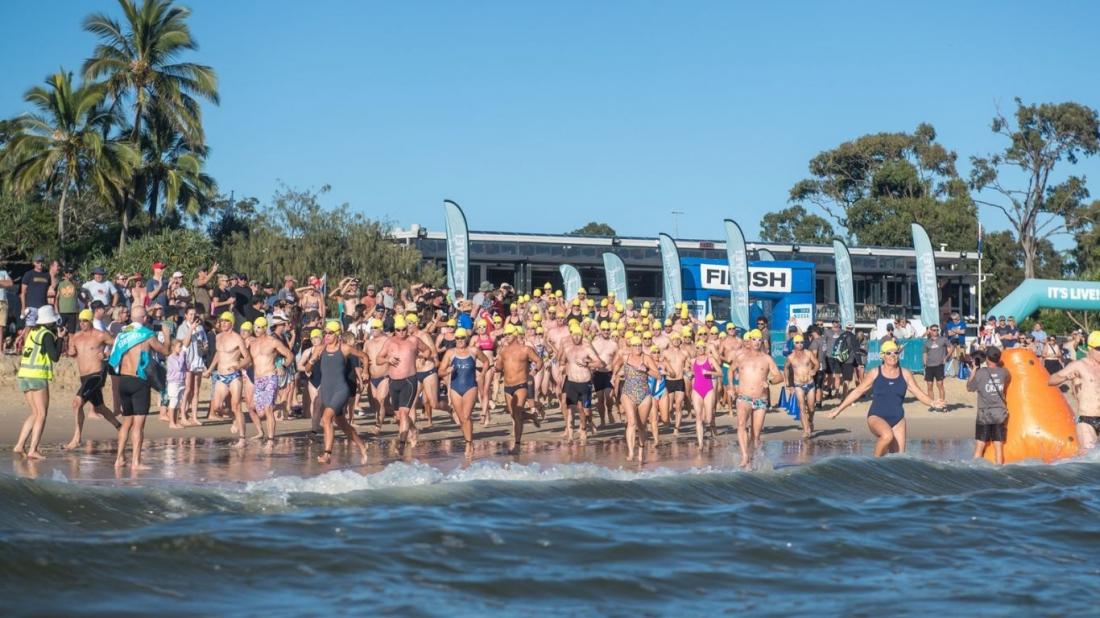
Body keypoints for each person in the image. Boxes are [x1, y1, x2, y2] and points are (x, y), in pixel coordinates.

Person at [828, 340, 944, 457]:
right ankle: (874, 464)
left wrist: (932, 403)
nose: (893, 356)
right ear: (882, 356)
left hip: (898, 419)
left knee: (898, 458)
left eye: (895, 353)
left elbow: (918, 393)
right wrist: (838, 409)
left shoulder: (905, 373)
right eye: (889, 353)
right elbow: (858, 391)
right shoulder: (875, 372)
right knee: (887, 436)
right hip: (876, 417)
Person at [301, 320, 371, 464]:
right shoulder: (319, 349)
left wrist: (365, 371)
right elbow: (307, 370)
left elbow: (364, 356)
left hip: (341, 389)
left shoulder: (344, 348)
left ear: (337, 334)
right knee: (342, 424)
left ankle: (327, 454)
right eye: (325, 332)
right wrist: (313, 360)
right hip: (327, 390)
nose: (326, 335)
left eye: (330, 333)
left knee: (326, 419)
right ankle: (362, 445)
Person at [108, 305, 169, 470]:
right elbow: (166, 351)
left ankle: (119, 458)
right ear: (143, 319)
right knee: (138, 425)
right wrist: (167, 334)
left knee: (126, 421)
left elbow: (113, 357)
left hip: (123, 381)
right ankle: (136, 462)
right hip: (139, 381)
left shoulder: (122, 334)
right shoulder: (147, 335)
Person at [63, 309, 121, 449]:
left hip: (96, 375)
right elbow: (71, 352)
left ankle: (76, 439)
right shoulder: (76, 336)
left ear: (90, 321)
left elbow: (118, 343)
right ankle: (120, 427)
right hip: (84, 377)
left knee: (77, 403)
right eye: (80, 321)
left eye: (85, 321)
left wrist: (106, 355)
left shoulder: (100, 335)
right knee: (100, 408)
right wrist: (70, 350)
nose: (82, 323)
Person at [14, 305, 64, 459]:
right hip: (37, 375)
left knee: (35, 413)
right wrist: (61, 338)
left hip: (24, 375)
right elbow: (55, 356)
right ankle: (33, 449)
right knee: (42, 413)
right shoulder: (46, 334)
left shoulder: (32, 332)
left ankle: (19, 445)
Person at [377, 315, 432, 449]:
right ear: (395, 330)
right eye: (398, 330)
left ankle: (401, 444)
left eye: (404, 329)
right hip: (393, 381)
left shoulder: (413, 340)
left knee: (404, 414)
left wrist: (424, 357)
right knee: (397, 417)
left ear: (407, 328)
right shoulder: (389, 342)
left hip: (409, 380)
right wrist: (387, 360)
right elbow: (378, 359)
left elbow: (427, 350)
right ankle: (413, 430)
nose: (401, 332)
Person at [734, 329, 783, 466]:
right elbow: (731, 370)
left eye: (759, 339)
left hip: (761, 399)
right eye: (754, 339)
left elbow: (779, 376)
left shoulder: (766, 358)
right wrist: (731, 386)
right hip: (744, 397)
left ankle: (753, 458)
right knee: (741, 425)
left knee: (756, 434)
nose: (756, 342)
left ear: (762, 341)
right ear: (749, 341)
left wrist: (770, 382)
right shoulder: (741, 357)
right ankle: (744, 456)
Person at [204, 312, 253, 446]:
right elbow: (218, 354)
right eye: (222, 321)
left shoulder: (237, 338)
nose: (223, 323)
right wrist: (209, 369)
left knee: (236, 405)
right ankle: (235, 418)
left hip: (234, 376)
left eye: (226, 321)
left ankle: (242, 438)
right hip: (221, 375)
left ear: (231, 323)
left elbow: (248, 358)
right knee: (216, 407)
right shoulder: (218, 337)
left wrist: (238, 365)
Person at [494, 324, 544, 454]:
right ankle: (532, 416)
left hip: (521, 385)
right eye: (505, 335)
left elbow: (539, 361)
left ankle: (517, 445)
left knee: (517, 414)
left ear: (515, 334)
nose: (506, 337)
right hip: (507, 386)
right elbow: (498, 367)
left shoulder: (525, 349)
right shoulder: (503, 351)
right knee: (514, 414)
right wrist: (496, 363)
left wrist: (534, 371)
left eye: (509, 334)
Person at [438, 327, 489, 454]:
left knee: (466, 416)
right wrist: (447, 371)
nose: (460, 340)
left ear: (466, 339)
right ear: (455, 339)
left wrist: (482, 374)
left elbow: (486, 361)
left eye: (462, 338)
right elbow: (440, 371)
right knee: (461, 419)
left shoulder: (473, 350)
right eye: (457, 338)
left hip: (470, 387)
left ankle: (469, 443)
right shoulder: (450, 353)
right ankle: (468, 438)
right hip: (455, 388)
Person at [610, 335, 659, 461]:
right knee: (631, 422)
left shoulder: (646, 358)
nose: (637, 348)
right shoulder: (625, 357)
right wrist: (614, 375)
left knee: (642, 426)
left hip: (644, 394)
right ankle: (631, 452)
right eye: (635, 345)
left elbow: (658, 375)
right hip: (628, 393)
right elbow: (615, 365)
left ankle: (641, 450)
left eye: (639, 345)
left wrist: (647, 369)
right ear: (630, 347)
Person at [1048, 331, 1100, 450]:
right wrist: (1066, 377)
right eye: (1099, 349)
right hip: (1087, 420)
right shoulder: (1078, 365)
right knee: (1090, 457)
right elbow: (1051, 380)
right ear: (1090, 348)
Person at [248, 316, 294, 442]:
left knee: (268, 408)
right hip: (258, 379)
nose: (256, 330)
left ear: (264, 328)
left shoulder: (273, 342)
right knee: (253, 408)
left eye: (258, 327)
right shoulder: (252, 343)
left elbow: (289, 355)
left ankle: (270, 440)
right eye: (254, 327)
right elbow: (247, 359)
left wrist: (283, 366)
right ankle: (279, 407)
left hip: (270, 377)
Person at [558, 322, 605, 442]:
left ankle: (584, 427)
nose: (577, 337)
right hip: (572, 383)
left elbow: (599, 363)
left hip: (585, 383)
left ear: (582, 335)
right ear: (571, 335)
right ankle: (570, 434)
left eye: (579, 335)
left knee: (585, 410)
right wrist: (562, 367)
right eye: (574, 335)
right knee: (570, 408)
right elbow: (562, 361)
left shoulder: (586, 348)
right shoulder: (567, 348)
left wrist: (588, 364)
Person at [967, 347, 1010, 464]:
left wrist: (974, 370)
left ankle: (975, 471)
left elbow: (969, 387)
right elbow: (1006, 382)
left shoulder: (981, 373)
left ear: (986, 358)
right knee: (998, 446)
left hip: (984, 414)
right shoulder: (1004, 372)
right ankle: (999, 471)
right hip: (999, 413)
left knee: (980, 445)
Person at [175, 306, 209, 426]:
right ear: (185, 315)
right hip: (187, 361)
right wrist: (191, 329)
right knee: (187, 389)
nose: (192, 316)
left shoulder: (200, 328)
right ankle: (183, 415)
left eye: (194, 314)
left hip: (198, 361)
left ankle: (194, 416)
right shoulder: (182, 327)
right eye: (190, 314)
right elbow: (184, 343)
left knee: (196, 390)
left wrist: (204, 347)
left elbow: (203, 346)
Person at [785, 334, 819, 438]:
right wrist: (788, 383)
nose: (799, 345)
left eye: (801, 342)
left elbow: (817, 363)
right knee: (802, 407)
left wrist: (814, 370)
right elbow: (786, 368)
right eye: (797, 343)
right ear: (793, 344)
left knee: (811, 408)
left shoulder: (808, 353)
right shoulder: (790, 357)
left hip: (810, 383)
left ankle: (810, 421)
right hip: (798, 384)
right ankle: (806, 430)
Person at [590, 321, 619, 427]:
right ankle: (602, 419)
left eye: (608, 330)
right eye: (604, 330)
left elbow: (617, 359)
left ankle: (610, 411)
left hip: (609, 373)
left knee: (609, 397)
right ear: (601, 331)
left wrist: (616, 373)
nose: (606, 331)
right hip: (597, 373)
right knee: (600, 399)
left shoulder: (614, 344)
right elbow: (590, 357)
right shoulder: (595, 343)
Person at [922, 324, 949, 407]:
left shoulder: (943, 339)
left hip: (939, 365)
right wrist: (924, 363)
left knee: (940, 385)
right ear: (930, 331)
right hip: (929, 366)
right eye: (933, 330)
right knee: (929, 386)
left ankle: (942, 405)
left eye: (937, 330)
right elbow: (925, 353)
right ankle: (932, 404)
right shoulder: (927, 342)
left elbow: (951, 347)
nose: (936, 331)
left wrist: (946, 357)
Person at [163, 339, 187, 429]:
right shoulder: (170, 358)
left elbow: (184, 367)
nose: (181, 348)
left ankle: (176, 421)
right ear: (173, 348)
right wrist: (182, 354)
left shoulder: (180, 356)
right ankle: (171, 422)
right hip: (173, 382)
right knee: (173, 401)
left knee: (178, 402)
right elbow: (179, 367)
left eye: (181, 346)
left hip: (181, 381)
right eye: (179, 346)